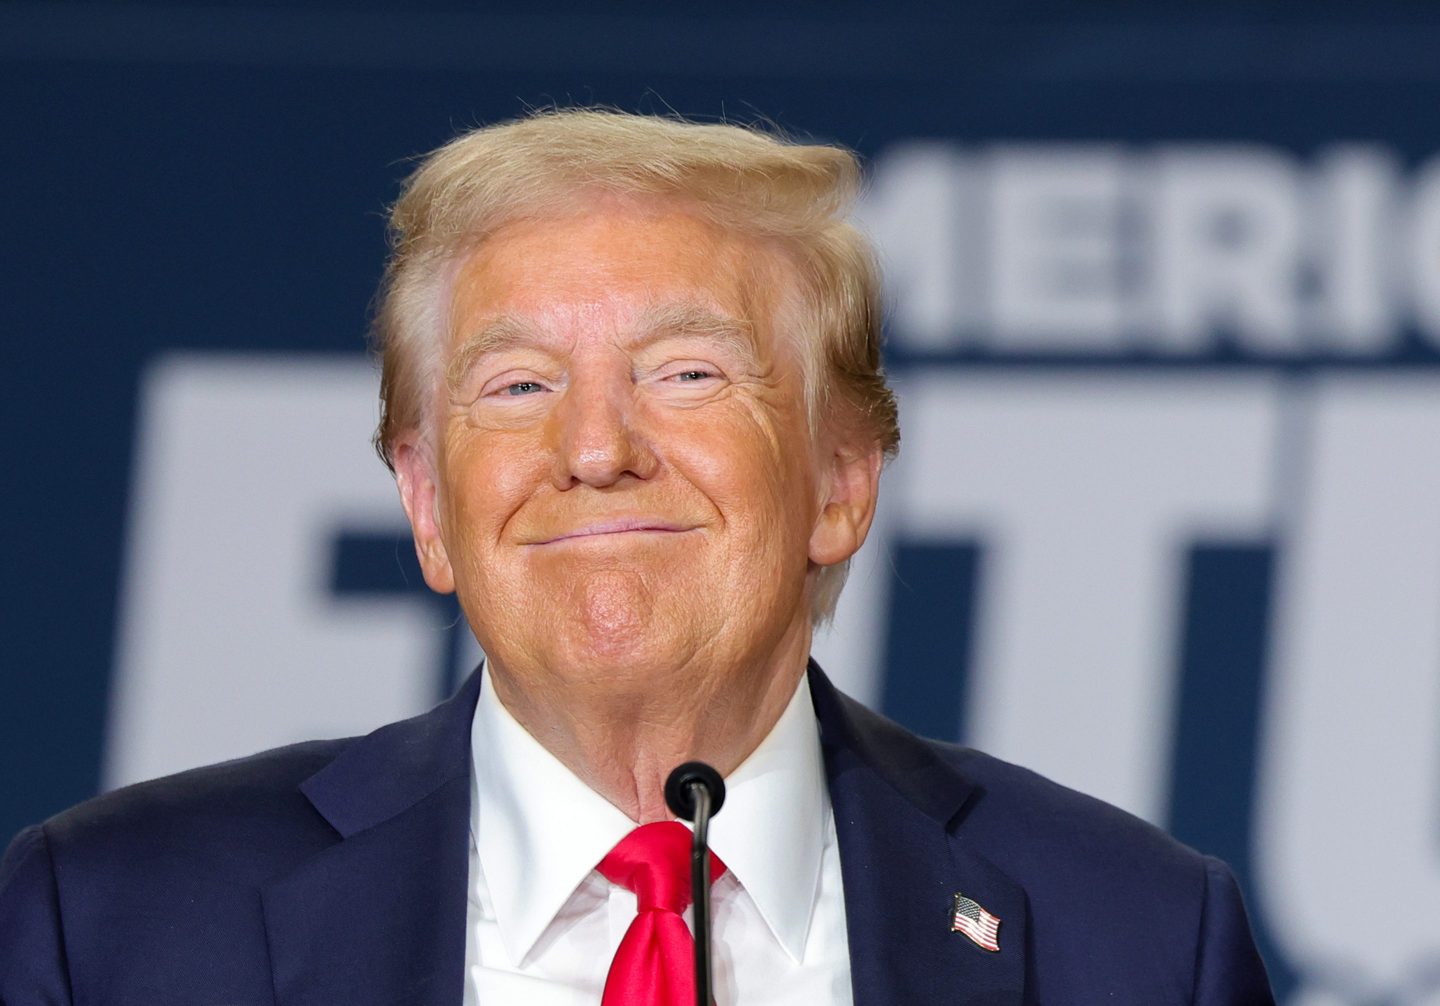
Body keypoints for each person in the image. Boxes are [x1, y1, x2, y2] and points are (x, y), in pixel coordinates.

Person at [0, 109, 1274, 1004]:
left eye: (687, 371)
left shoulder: (1141, 940)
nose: (596, 447)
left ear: (840, 479)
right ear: (427, 503)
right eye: (515, 384)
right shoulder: (109, 926)